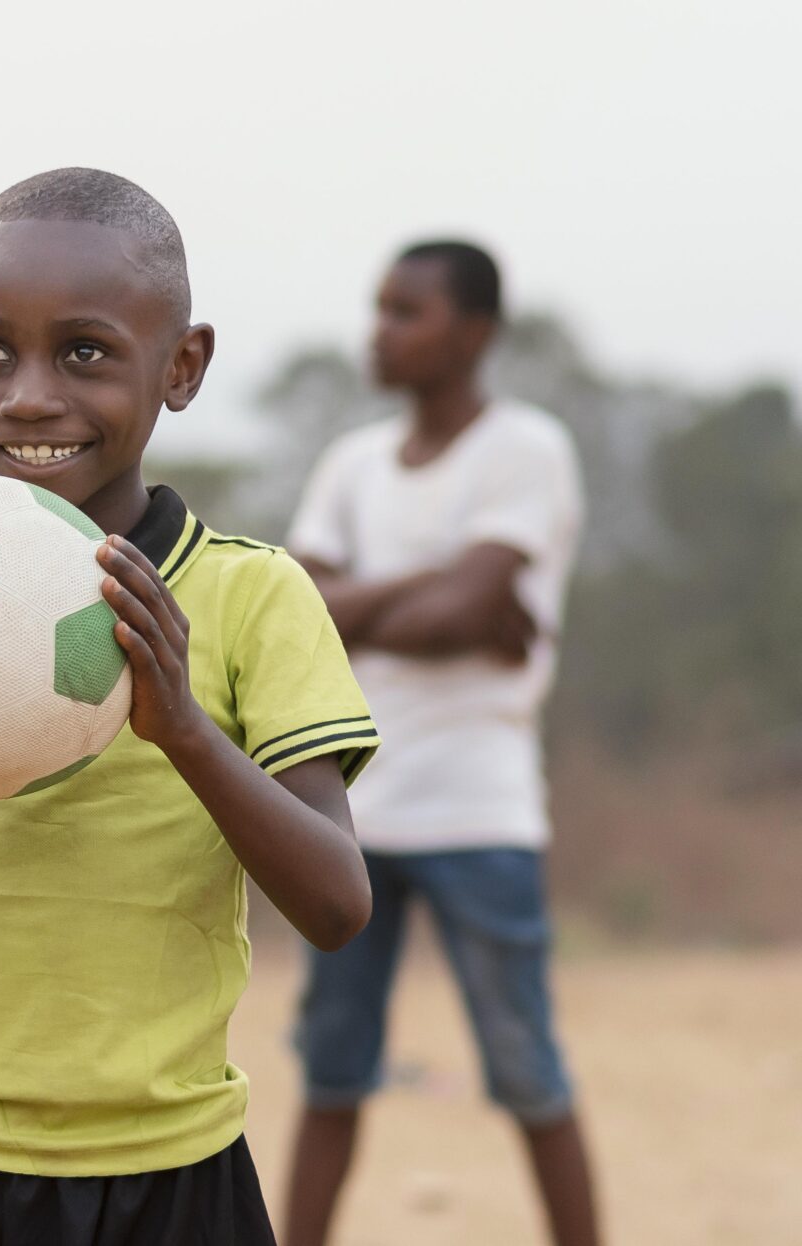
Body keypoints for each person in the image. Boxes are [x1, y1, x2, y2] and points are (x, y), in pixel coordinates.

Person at [0, 168, 384, 1245]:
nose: (29, 396)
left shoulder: (248, 594)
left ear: (180, 366)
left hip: (169, 1167)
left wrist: (183, 728)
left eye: (83, 351)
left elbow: (335, 906)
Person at [280, 241, 600, 1246]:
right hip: (352, 812)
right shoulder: (352, 463)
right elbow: (301, 611)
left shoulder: (525, 448)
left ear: (473, 332)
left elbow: (443, 609)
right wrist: (440, 591)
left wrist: (365, 603)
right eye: (379, 308)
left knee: (524, 1066)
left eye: (405, 311)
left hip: (480, 808)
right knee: (330, 1068)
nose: (380, 330)